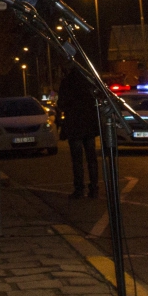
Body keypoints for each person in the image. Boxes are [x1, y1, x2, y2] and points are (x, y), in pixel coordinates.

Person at [57, 62, 101, 198]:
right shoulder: (89, 82)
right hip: (88, 125)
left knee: (77, 160)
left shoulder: (67, 83)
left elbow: (61, 104)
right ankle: (94, 188)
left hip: (74, 125)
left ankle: (79, 189)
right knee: (91, 159)